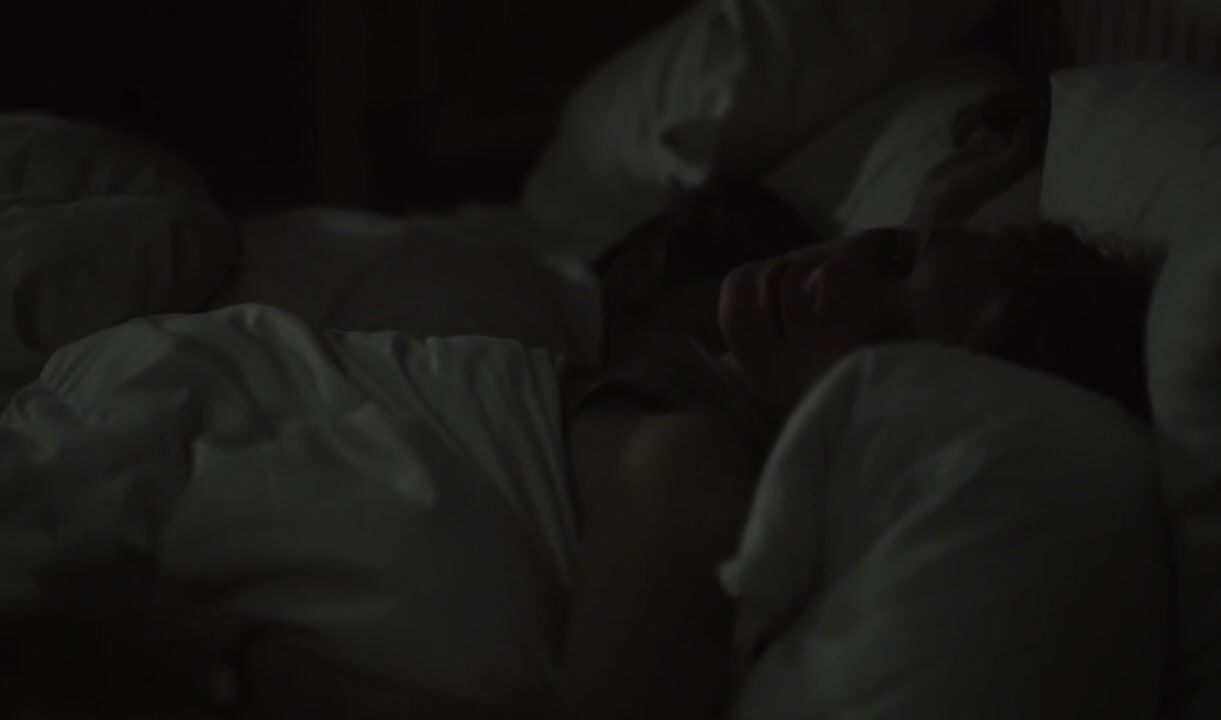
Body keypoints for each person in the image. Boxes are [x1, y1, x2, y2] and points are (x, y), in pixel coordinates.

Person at [9, 86, 1153, 719]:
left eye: (887, 332)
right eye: (889, 250)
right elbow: (888, 289)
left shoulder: (690, 464)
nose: (835, 275)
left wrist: (206, 651)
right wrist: (954, 197)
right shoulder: (711, 380)